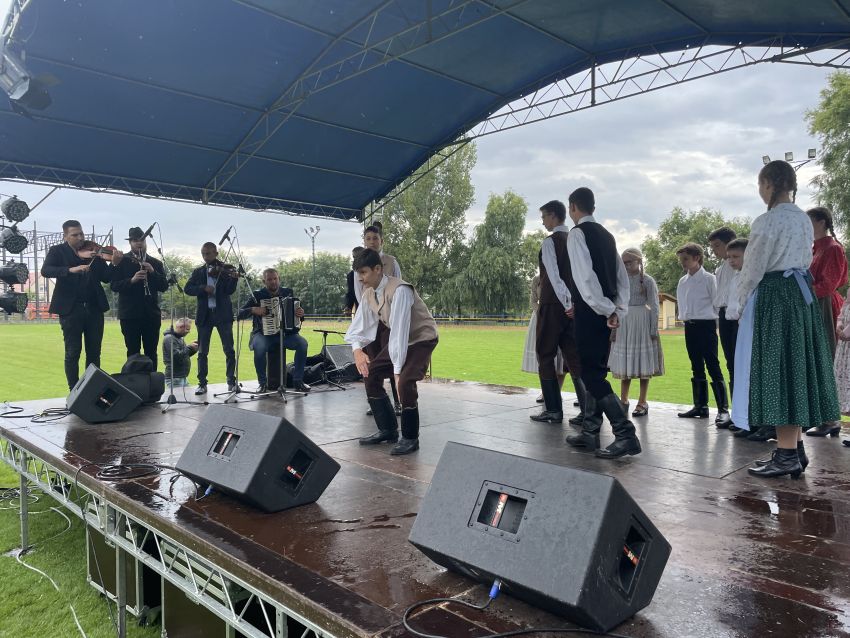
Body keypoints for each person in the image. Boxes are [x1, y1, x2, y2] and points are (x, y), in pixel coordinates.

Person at [734, 160, 839, 478]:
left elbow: (753, 268)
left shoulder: (767, 221)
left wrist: (739, 304)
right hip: (799, 296)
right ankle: (794, 448)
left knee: (777, 371)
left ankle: (786, 454)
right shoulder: (803, 220)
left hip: (775, 296)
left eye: (760, 185)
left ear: (768, 184)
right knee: (795, 369)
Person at [563, 188, 640, 459]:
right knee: (595, 370)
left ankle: (625, 434)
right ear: (593, 207)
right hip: (606, 311)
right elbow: (621, 277)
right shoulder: (607, 235)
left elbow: (585, 279)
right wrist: (617, 309)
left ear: (573, 207)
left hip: (591, 310)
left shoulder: (577, 234)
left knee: (591, 374)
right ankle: (590, 431)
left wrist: (606, 309)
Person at [345, 248, 438, 456]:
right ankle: (387, 430)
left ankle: (410, 438)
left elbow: (399, 332)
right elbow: (359, 327)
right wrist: (357, 350)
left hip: (421, 339)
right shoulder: (369, 294)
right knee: (371, 375)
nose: (360, 279)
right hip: (400, 339)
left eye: (363, 272)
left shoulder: (400, 290)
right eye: (358, 273)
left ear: (378, 269)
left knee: (404, 382)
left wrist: (397, 374)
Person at [40, 220, 123, 390]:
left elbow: (106, 277)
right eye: (75, 235)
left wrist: (115, 264)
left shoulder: (93, 252)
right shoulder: (58, 251)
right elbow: (46, 270)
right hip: (70, 309)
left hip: (94, 307)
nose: (80, 238)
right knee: (73, 352)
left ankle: (91, 390)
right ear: (65, 236)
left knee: (94, 352)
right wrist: (70, 269)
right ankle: (74, 391)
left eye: (81, 234)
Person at [531, 200, 586, 425]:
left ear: (553, 216)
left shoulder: (550, 242)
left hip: (554, 305)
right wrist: (574, 303)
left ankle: (553, 410)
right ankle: (588, 411)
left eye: (544, 216)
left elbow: (553, 276)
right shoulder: (575, 239)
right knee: (574, 357)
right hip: (574, 307)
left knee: (545, 355)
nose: (543, 221)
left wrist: (566, 302)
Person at [675, 243, 731, 427]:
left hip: (706, 325)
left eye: (686, 259)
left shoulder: (709, 279)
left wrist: (711, 320)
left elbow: (717, 302)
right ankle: (700, 406)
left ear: (697, 258)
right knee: (696, 365)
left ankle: (723, 409)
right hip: (689, 326)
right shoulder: (683, 281)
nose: (683, 262)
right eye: (681, 259)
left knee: (713, 364)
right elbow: (682, 304)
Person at [607, 248, 664, 417]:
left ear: (639, 261)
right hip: (624, 323)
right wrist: (614, 326)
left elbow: (654, 305)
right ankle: (623, 400)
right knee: (626, 362)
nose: (626, 265)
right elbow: (616, 303)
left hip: (642, 323)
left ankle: (642, 401)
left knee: (642, 363)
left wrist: (653, 328)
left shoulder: (647, 281)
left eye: (629, 262)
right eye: (623, 263)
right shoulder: (620, 281)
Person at [238, 268, 309, 392]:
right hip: (263, 333)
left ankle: (298, 381)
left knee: (302, 344)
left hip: (285, 334)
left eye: (275, 278)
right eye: (269, 279)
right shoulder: (257, 295)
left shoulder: (288, 292)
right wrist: (253, 310)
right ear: (264, 281)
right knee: (259, 347)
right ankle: (262, 383)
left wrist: (300, 313)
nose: (273, 281)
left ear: (279, 279)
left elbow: (296, 313)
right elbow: (239, 313)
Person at [184, 242, 239, 394]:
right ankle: (202, 383)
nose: (205, 257)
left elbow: (229, 290)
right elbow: (187, 288)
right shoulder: (198, 272)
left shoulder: (226, 269)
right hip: (204, 316)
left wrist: (234, 279)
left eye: (208, 253)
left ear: (216, 253)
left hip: (223, 314)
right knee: (202, 352)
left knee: (229, 350)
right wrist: (203, 288)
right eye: (203, 254)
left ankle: (231, 381)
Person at [110, 226, 168, 368]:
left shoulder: (155, 263)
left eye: (141, 240)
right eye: (135, 240)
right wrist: (132, 280)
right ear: (130, 243)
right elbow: (114, 285)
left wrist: (153, 272)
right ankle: (134, 380)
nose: (139, 243)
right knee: (132, 353)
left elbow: (164, 286)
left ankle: (152, 381)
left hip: (151, 314)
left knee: (151, 352)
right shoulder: (122, 261)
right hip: (129, 315)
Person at [522, 274, 570, 413]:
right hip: (540, 319)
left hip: (560, 318)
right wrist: (542, 313)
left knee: (561, 359)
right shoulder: (537, 279)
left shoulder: (564, 276)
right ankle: (546, 392)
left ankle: (557, 392)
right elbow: (533, 301)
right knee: (544, 357)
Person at [723, 238, 754, 438]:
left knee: (749, 372)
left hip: (748, 325)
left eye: (736, 256)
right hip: (736, 324)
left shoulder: (752, 276)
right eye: (729, 257)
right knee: (738, 371)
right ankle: (741, 417)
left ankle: (753, 420)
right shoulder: (735, 277)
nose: (731, 261)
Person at [807, 206, 847, 356]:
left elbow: (828, 285)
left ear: (821, 222)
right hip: (813, 301)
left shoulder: (833, 248)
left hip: (826, 305)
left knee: (826, 352)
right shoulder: (814, 249)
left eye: (809, 221)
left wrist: (804, 292)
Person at [708, 226, 738, 426]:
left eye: (717, 246)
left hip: (737, 316)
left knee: (739, 364)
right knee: (731, 364)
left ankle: (745, 416)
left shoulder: (740, 266)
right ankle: (737, 414)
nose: (715, 251)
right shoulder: (720, 269)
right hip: (724, 314)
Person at [162, 317, 198, 388]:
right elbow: (176, 356)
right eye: (187, 329)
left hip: (181, 377)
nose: (189, 331)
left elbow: (183, 355)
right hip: (175, 378)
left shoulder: (178, 338)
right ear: (181, 327)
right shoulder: (169, 338)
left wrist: (194, 349)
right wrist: (190, 347)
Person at [344, 246, 365, 316]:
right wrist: (348, 307)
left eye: (359, 256)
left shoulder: (373, 272)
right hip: (359, 312)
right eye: (354, 257)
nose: (356, 259)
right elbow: (350, 294)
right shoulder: (350, 275)